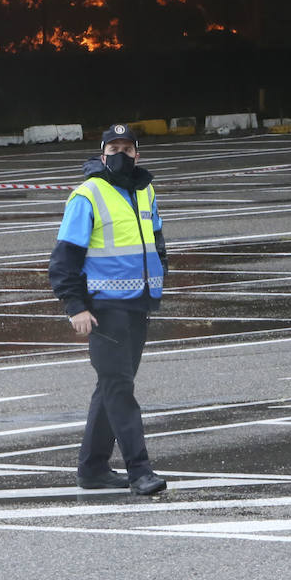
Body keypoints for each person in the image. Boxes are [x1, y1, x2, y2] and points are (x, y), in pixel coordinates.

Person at [49, 123, 168, 496]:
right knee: (119, 389)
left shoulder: (145, 190)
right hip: (104, 307)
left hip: (138, 305)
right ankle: (140, 471)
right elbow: (64, 259)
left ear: (137, 153)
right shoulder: (88, 194)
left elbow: (157, 242)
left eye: (127, 148)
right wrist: (75, 306)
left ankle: (93, 468)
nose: (120, 154)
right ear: (102, 155)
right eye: (113, 147)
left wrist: (159, 278)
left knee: (112, 386)